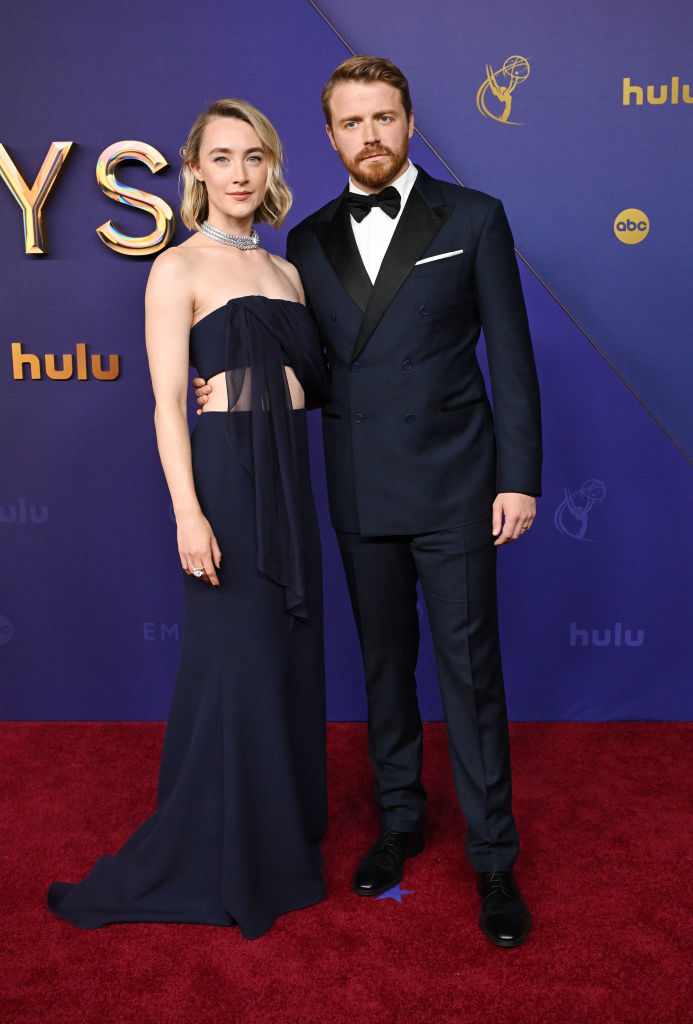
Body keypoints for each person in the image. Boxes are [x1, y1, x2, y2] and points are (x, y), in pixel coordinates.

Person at [196, 56, 542, 949]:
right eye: (351, 123)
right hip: (359, 489)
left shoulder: (473, 217)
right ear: (329, 136)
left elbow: (511, 357)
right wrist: (241, 390)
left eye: (383, 117)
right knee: (384, 670)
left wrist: (518, 477)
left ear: (409, 121)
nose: (370, 135)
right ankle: (399, 822)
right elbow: (313, 372)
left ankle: (492, 857)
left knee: (470, 679)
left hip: (459, 487)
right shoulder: (308, 239)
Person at [47, 99, 329, 940]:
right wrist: (187, 514)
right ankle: (220, 852)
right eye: (223, 157)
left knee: (283, 653)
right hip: (227, 480)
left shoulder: (287, 272)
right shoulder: (176, 267)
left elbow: (312, 383)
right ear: (195, 169)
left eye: (254, 157)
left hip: (289, 476)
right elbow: (169, 404)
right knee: (234, 659)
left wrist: (257, 388)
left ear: (271, 167)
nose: (240, 173)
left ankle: (277, 840)